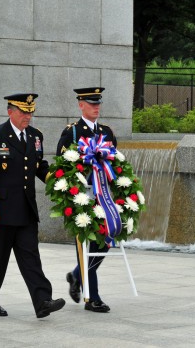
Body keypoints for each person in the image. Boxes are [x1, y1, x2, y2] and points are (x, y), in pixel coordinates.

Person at [0, 93, 65, 319]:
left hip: (26, 209)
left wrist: (59, 180)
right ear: (10, 112)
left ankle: (42, 301)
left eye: (30, 111)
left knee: (31, 257)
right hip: (1, 211)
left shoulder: (35, 136)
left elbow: (38, 166)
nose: (28, 116)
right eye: (24, 112)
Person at [56, 87, 116, 313]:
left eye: (98, 103)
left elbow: (115, 163)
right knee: (86, 246)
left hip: (104, 197)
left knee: (104, 242)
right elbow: (62, 165)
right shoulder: (72, 132)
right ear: (81, 105)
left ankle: (76, 275)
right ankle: (93, 298)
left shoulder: (107, 132)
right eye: (91, 103)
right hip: (81, 197)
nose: (96, 107)